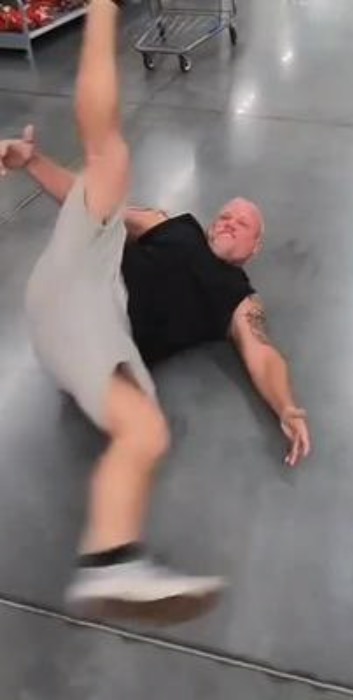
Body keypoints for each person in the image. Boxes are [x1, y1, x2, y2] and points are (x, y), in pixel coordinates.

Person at [0, 0, 310, 612]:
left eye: (242, 223)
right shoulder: (178, 223)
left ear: (255, 247)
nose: (228, 220)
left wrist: (287, 405)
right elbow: (94, 201)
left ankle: (110, 563)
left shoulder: (238, 299)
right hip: (84, 280)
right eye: (226, 212)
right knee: (109, 165)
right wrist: (34, 161)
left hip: (88, 343)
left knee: (146, 432)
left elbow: (263, 356)